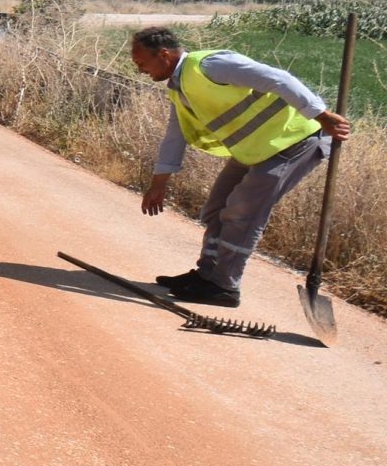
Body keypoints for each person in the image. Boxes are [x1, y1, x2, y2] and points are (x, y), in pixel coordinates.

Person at [129, 25, 350, 307]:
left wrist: (322, 115)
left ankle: (225, 286)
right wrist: (158, 183)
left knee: (242, 212)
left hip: (295, 140)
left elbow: (278, 79)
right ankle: (207, 276)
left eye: (141, 63)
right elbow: (176, 134)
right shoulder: (179, 86)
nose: (140, 70)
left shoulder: (211, 65)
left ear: (163, 55)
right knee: (216, 208)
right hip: (256, 149)